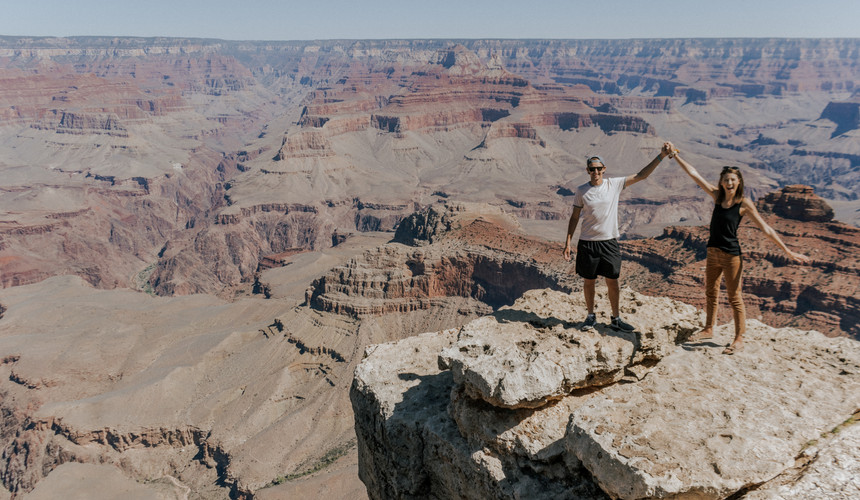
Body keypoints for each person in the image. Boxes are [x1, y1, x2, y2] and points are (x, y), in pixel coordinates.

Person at [671, 147, 810, 354]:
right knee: (711, 292)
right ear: (721, 181)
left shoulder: (743, 203)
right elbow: (694, 174)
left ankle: (738, 338)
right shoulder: (717, 196)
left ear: (739, 182)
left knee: (734, 297)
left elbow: (766, 229)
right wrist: (675, 156)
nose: (729, 183)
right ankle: (709, 329)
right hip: (713, 252)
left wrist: (788, 251)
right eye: (726, 180)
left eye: (732, 180)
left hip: (731, 255)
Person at [563, 143, 674, 332]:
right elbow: (575, 217)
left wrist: (661, 156)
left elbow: (641, 175)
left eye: (599, 168)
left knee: (612, 281)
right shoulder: (581, 191)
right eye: (592, 169)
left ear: (604, 169)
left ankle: (616, 318)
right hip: (588, 243)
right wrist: (567, 242)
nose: (595, 172)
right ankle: (590, 317)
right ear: (587, 170)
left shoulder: (613, 184)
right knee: (589, 281)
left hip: (609, 242)